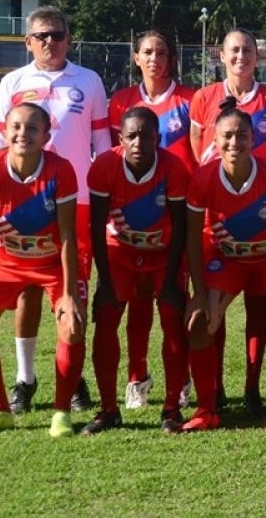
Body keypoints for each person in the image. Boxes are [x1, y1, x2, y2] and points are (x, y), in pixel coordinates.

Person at [0, 6, 110, 414]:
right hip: (23, 204)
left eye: (57, 34)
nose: (50, 42)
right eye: (41, 36)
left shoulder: (89, 81)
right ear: (28, 41)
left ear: (69, 39)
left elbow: (104, 148)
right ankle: (25, 378)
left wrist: (109, 200)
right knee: (25, 291)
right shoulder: (12, 82)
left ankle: (71, 379)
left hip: (78, 205)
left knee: (74, 291)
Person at [0, 103, 85, 438]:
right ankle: (0, 410)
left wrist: (70, 295)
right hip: (7, 263)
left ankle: (61, 413)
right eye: (16, 127)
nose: (22, 134)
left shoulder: (61, 169)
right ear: (4, 131)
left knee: (72, 326)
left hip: (53, 264)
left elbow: (69, 235)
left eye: (32, 128)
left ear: (46, 135)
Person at [181, 105, 266, 432]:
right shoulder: (203, 178)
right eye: (227, 136)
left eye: (242, 135)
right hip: (227, 262)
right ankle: (207, 408)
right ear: (215, 139)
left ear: (254, 138)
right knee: (199, 321)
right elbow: (193, 241)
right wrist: (198, 293)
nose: (235, 142)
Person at [189, 28, 266, 415]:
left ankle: (254, 387)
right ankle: (212, 392)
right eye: (234, 50)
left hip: (262, 217)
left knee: (258, 307)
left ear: (257, 56)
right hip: (216, 218)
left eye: (248, 49)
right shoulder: (203, 98)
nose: (241, 56)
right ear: (221, 55)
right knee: (213, 304)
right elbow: (198, 154)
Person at [84, 107, 191, 434]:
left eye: (146, 135)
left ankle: (172, 408)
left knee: (174, 315)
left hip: (163, 254)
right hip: (120, 254)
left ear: (158, 139)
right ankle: (108, 409)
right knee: (106, 316)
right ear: (120, 138)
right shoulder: (104, 167)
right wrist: (103, 279)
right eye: (131, 135)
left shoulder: (173, 168)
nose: (138, 142)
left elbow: (181, 227)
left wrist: (173, 279)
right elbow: (96, 226)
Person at [106, 29, 197, 410]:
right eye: (147, 51)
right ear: (136, 58)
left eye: (161, 51)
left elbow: (199, 153)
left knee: (174, 305)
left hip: (175, 218)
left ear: (171, 58)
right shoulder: (121, 101)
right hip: (130, 222)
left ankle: (181, 379)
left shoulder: (190, 100)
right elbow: (113, 158)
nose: (155, 58)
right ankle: (136, 379)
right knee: (137, 307)